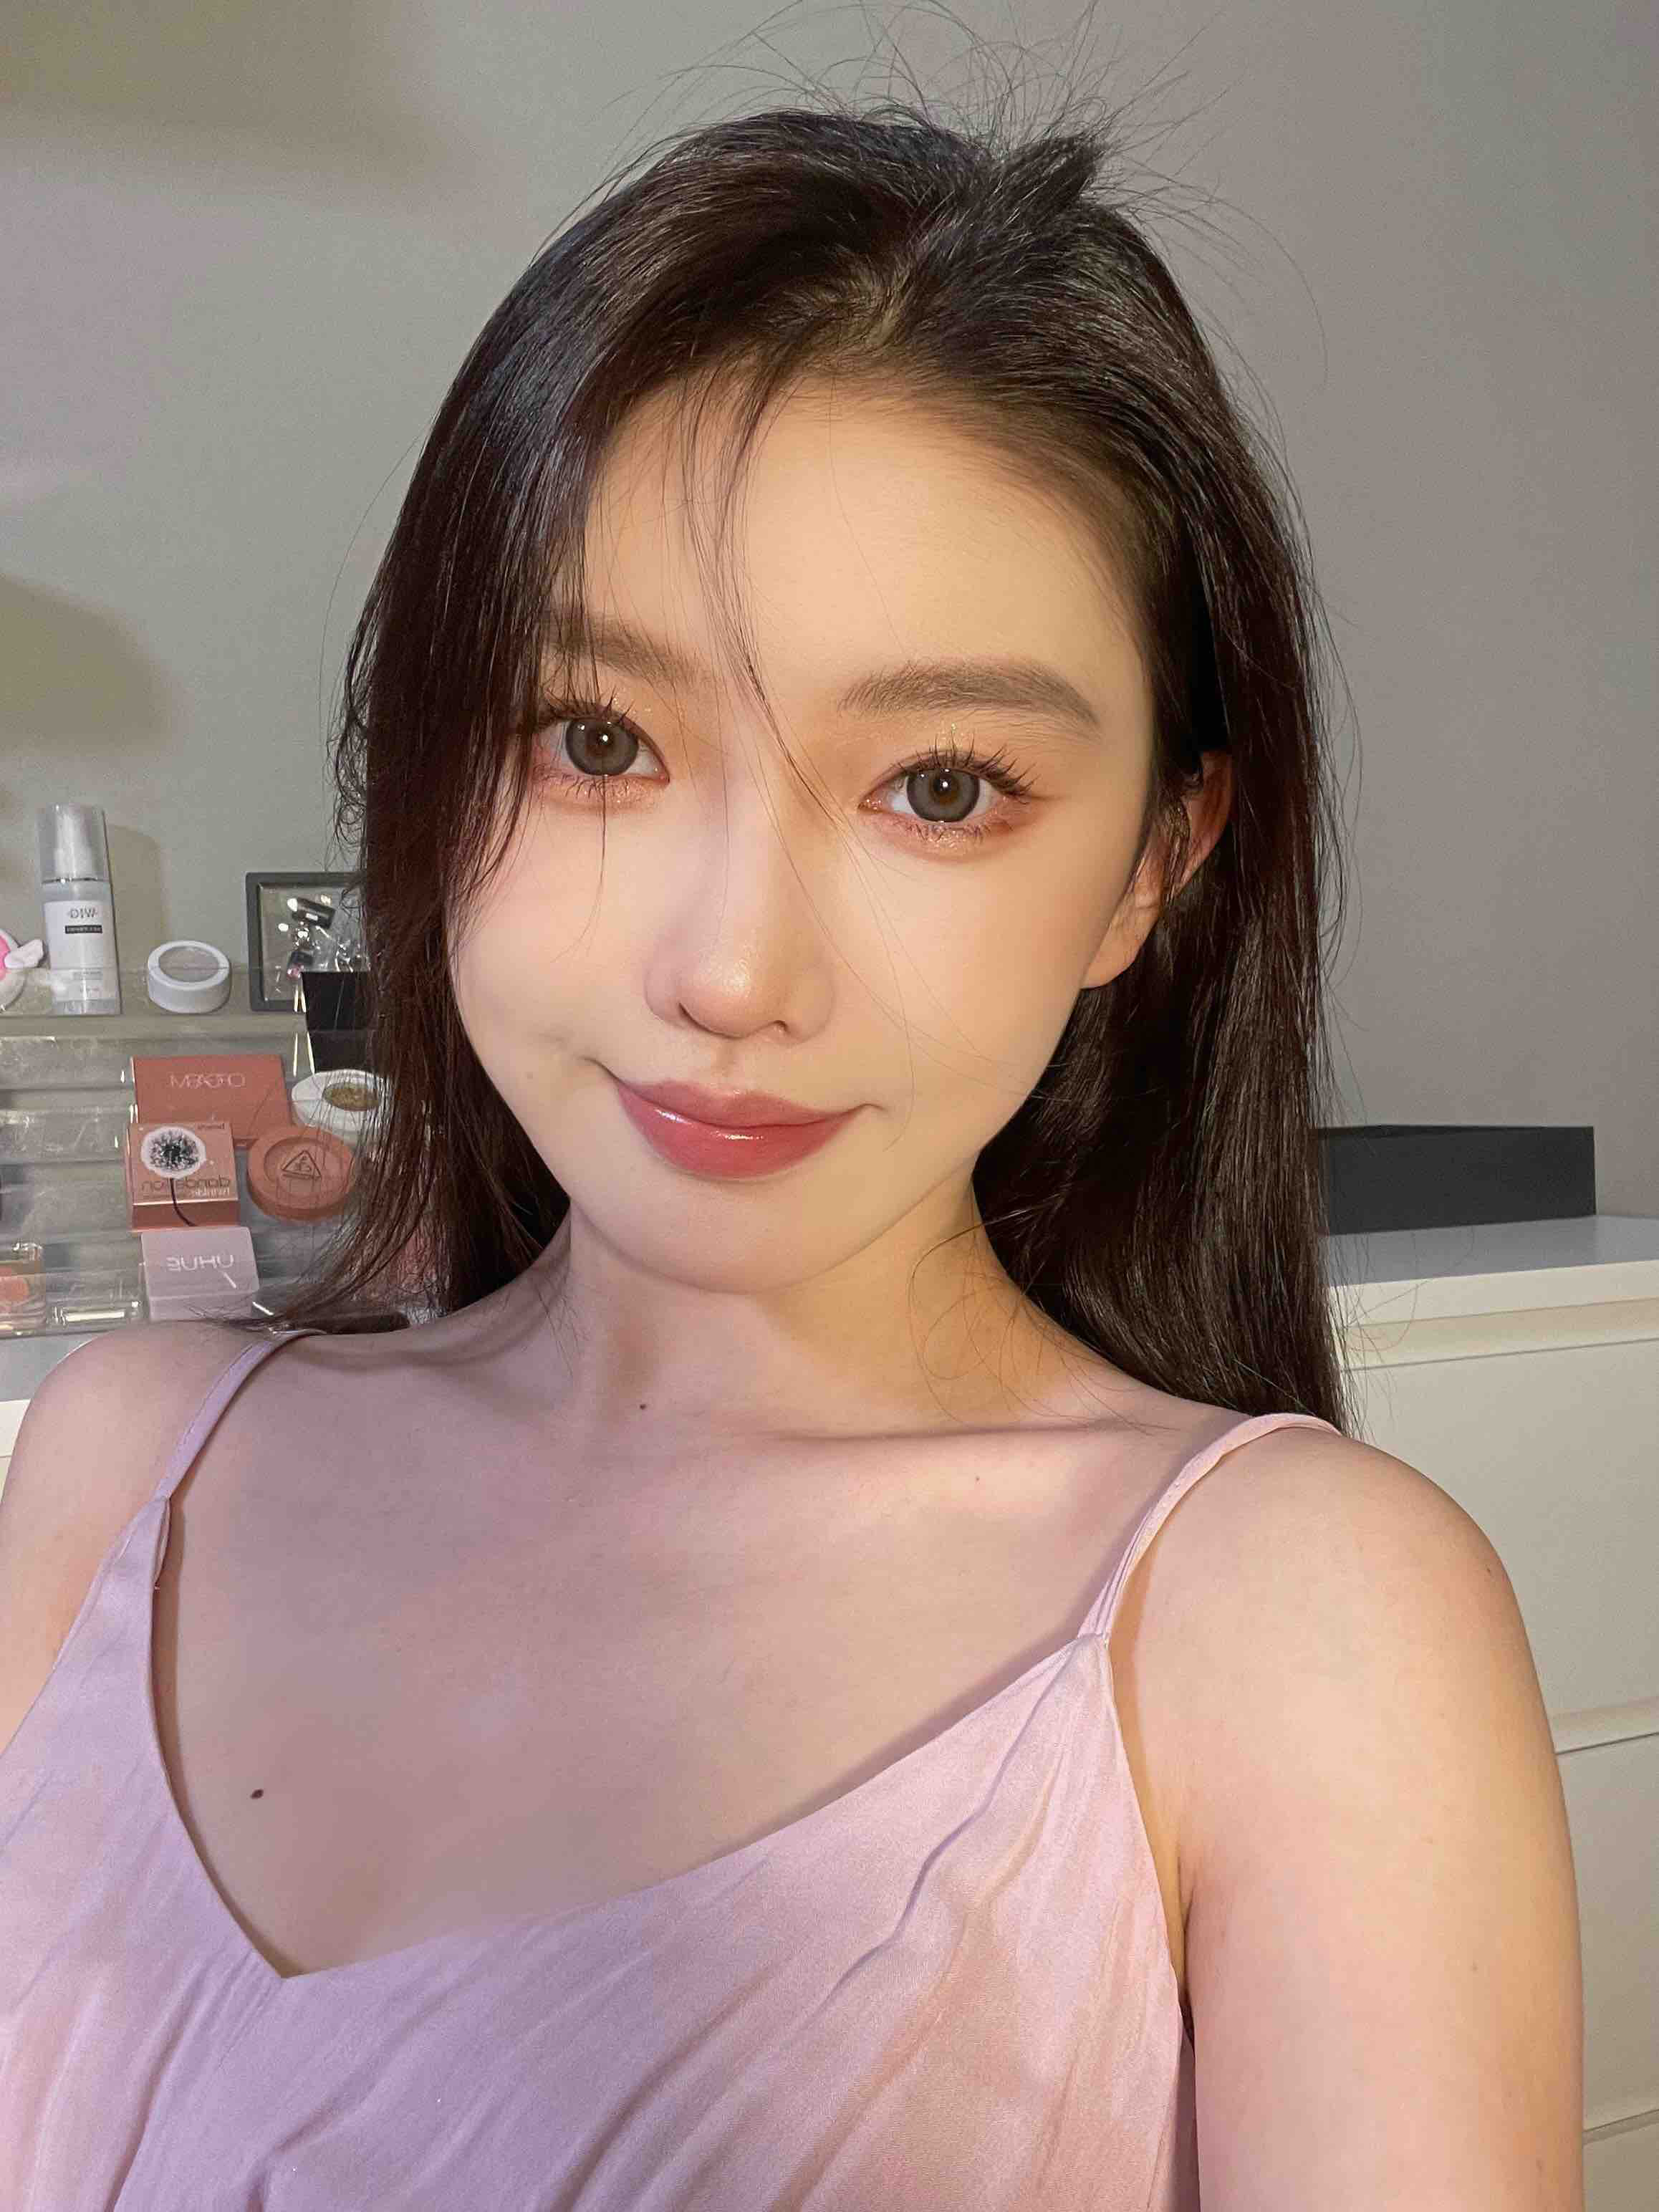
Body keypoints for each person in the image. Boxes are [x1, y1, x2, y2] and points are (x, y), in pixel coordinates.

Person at [0, 77, 1583, 2212]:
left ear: (1154, 862)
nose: (735, 968)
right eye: (597, 740)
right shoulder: (128, 1466)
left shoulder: (1295, 1625)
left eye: (941, 787)